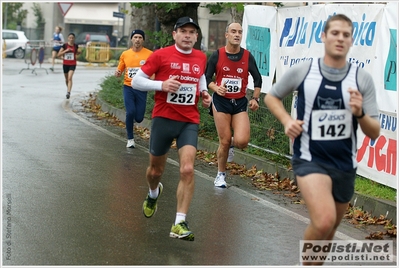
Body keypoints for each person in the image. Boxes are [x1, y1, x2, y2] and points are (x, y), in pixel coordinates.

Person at [264, 14, 380, 265]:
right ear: (323, 36)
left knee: (328, 233)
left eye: (346, 35)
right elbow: (271, 97)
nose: (340, 38)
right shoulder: (305, 70)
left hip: (344, 165)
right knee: (323, 221)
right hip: (309, 159)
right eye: (335, 33)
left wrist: (359, 112)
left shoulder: (362, 79)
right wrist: (287, 121)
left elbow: (374, 131)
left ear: (351, 41)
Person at [132, 16, 211, 241]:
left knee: (187, 169)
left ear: (196, 37)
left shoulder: (201, 57)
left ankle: (179, 222)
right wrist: (162, 85)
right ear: (174, 34)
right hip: (163, 119)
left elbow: (200, 77)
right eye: (183, 31)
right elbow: (137, 81)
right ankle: (153, 192)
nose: (187, 35)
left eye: (191, 32)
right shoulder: (161, 55)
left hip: (189, 121)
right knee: (155, 171)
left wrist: (204, 93)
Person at [205, 22, 262, 188]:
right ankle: (220, 175)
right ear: (226, 35)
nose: (237, 34)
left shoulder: (247, 56)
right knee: (223, 141)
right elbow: (206, 77)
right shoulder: (217, 55)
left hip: (239, 103)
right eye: (233, 31)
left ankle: (230, 143)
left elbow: (258, 79)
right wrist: (216, 87)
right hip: (221, 102)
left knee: (242, 141)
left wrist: (255, 98)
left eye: (240, 32)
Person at [115, 29, 153, 148]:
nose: (137, 39)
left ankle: (131, 121)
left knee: (139, 118)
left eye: (140, 37)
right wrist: (117, 72)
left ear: (143, 40)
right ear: (131, 39)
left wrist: (152, 79)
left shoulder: (149, 54)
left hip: (142, 88)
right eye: (135, 37)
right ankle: (130, 139)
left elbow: (153, 69)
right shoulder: (125, 54)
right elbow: (120, 69)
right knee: (130, 112)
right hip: (128, 87)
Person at [57, 33, 81, 99]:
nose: (71, 39)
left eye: (72, 38)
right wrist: (66, 51)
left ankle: (68, 92)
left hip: (72, 64)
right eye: (70, 37)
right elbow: (59, 55)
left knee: (70, 78)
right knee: (66, 79)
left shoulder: (75, 46)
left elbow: (78, 52)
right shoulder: (65, 45)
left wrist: (79, 52)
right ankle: (68, 88)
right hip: (65, 64)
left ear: (74, 38)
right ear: (68, 38)